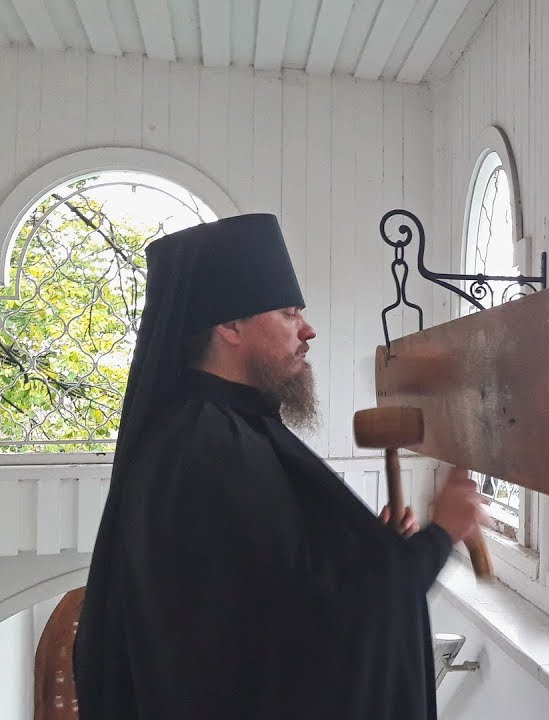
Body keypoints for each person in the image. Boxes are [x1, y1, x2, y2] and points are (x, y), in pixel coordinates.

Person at [72, 213, 486, 720]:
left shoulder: (209, 427)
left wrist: (370, 553)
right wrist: (441, 535)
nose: (308, 331)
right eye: (289, 314)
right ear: (230, 326)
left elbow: (273, 587)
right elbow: (310, 633)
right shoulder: (213, 447)